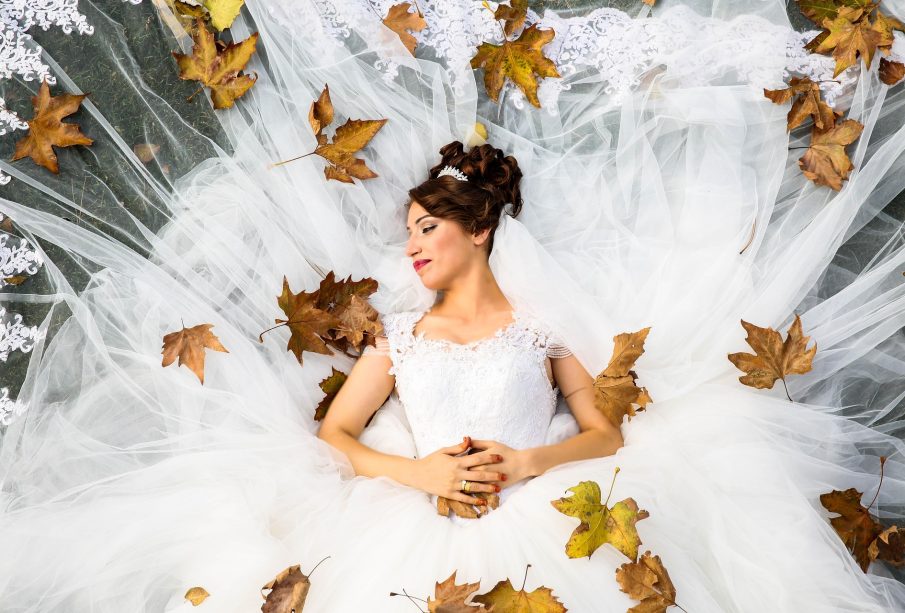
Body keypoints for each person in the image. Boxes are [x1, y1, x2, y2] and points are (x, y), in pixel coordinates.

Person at [2, 0, 905, 611]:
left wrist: (528, 458)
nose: (412, 244)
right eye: (408, 230)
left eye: (427, 227)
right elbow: (337, 438)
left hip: (544, 500)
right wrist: (422, 474)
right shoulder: (399, 334)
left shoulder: (539, 325)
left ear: (477, 233)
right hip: (414, 513)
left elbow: (606, 434)